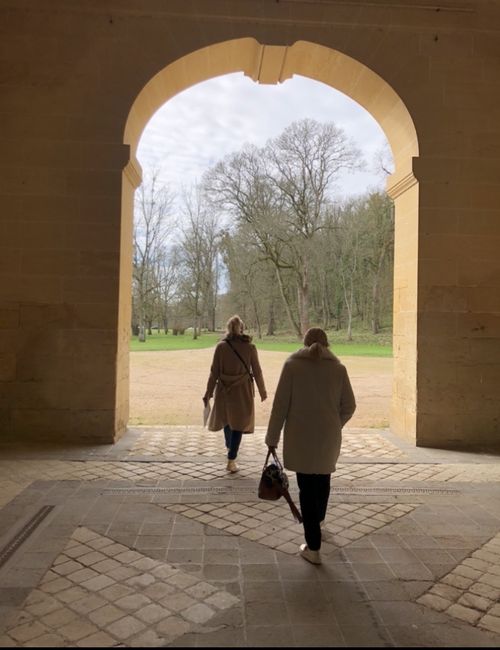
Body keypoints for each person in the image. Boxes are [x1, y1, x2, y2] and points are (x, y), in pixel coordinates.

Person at [265, 327, 356, 565]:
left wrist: (271, 439)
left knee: (306, 487)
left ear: (304, 343)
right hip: (328, 436)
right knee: (323, 480)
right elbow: (349, 406)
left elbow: (280, 406)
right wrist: (336, 423)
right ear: (328, 345)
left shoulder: (292, 366)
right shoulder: (338, 369)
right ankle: (320, 520)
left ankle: (313, 546)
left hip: (300, 435)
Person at [203, 315, 267, 473]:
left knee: (227, 420)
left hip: (224, 390)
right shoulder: (250, 347)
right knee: (238, 423)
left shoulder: (221, 347)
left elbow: (214, 373)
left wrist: (208, 392)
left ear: (228, 328)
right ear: (242, 328)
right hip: (242, 390)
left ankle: (230, 449)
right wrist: (262, 391)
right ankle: (231, 458)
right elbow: (257, 371)